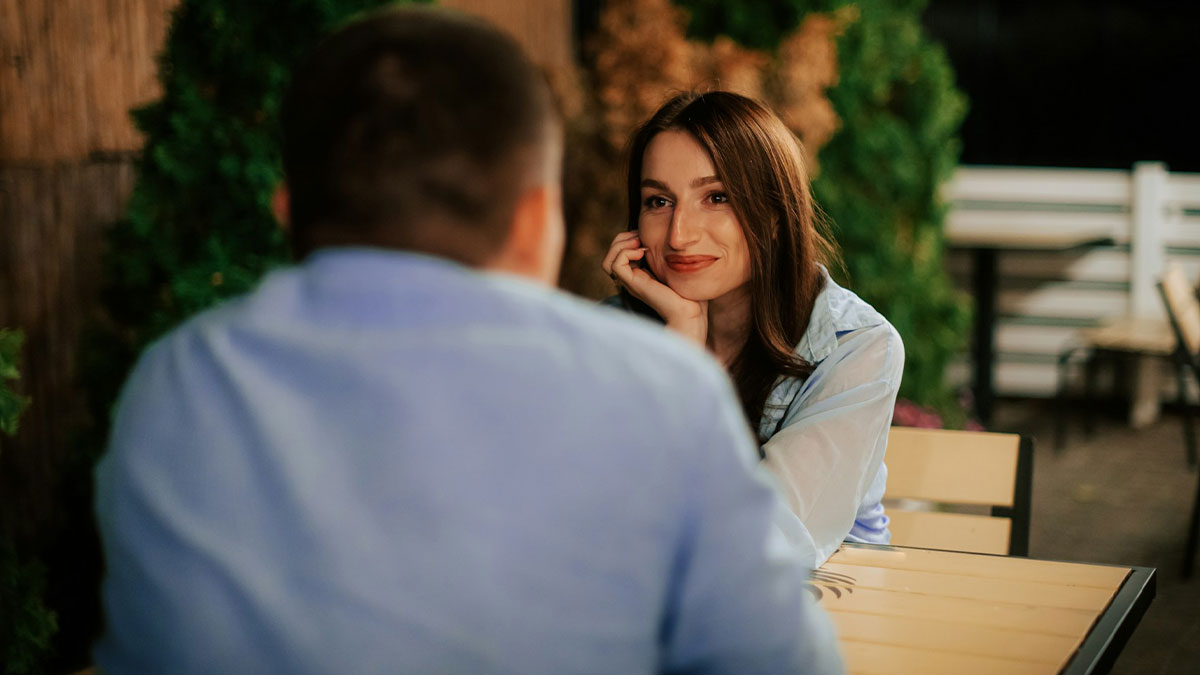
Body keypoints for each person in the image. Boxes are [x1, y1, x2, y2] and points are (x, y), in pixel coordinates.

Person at [93, 7, 843, 674]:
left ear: (287, 212)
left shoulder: (175, 384)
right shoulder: (659, 390)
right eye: (657, 200)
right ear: (535, 218)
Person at [602, 91, 905, 567]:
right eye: (658, 201)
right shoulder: (609, 335)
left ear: (776, 212)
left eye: (716, 197)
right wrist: (682, 333)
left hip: (835, 606)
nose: (680, 235)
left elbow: (763, 542)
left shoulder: (857, 348)